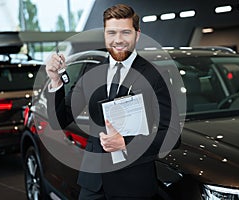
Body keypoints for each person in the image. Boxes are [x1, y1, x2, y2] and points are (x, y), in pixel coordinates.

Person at [45, 4, 179, 200]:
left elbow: (173, 134)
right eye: (111, 33)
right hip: (93, 183)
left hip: (133, 184)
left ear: (137, 34)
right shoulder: (91, 72)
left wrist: (126, 143)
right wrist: (56, 81)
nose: (118, 40)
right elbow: (60, 120)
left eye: (125, 32)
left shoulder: (155, 76)